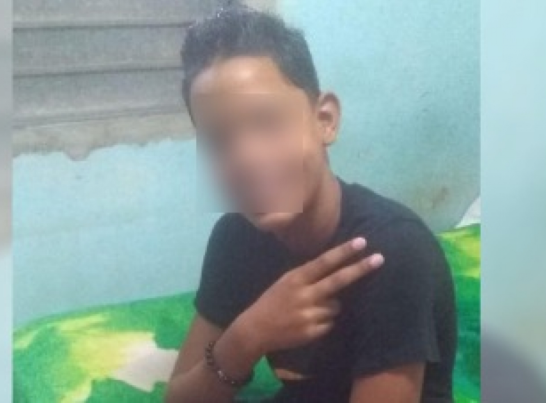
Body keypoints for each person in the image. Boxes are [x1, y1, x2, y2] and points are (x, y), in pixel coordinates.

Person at [165, 5, 456, 403]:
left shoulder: (393, 252)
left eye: (267, 121)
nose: (245, 158)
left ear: (325, 120)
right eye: (218, 140)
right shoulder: (235, 238)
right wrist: (248, 336)